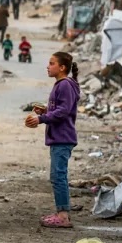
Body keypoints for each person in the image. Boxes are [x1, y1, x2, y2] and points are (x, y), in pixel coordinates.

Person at [25, 52, 81, 228]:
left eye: (51, 63)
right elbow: (62, 109)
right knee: (58, 175)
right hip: (59, 137)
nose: (48, 66)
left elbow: (64, 111)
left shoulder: (64, 85)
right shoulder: (62, 85)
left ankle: (63, 216)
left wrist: (41, 119)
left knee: (58, 176)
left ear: (62, 67)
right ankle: (61, 212)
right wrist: (45, 112)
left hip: (62, 138)